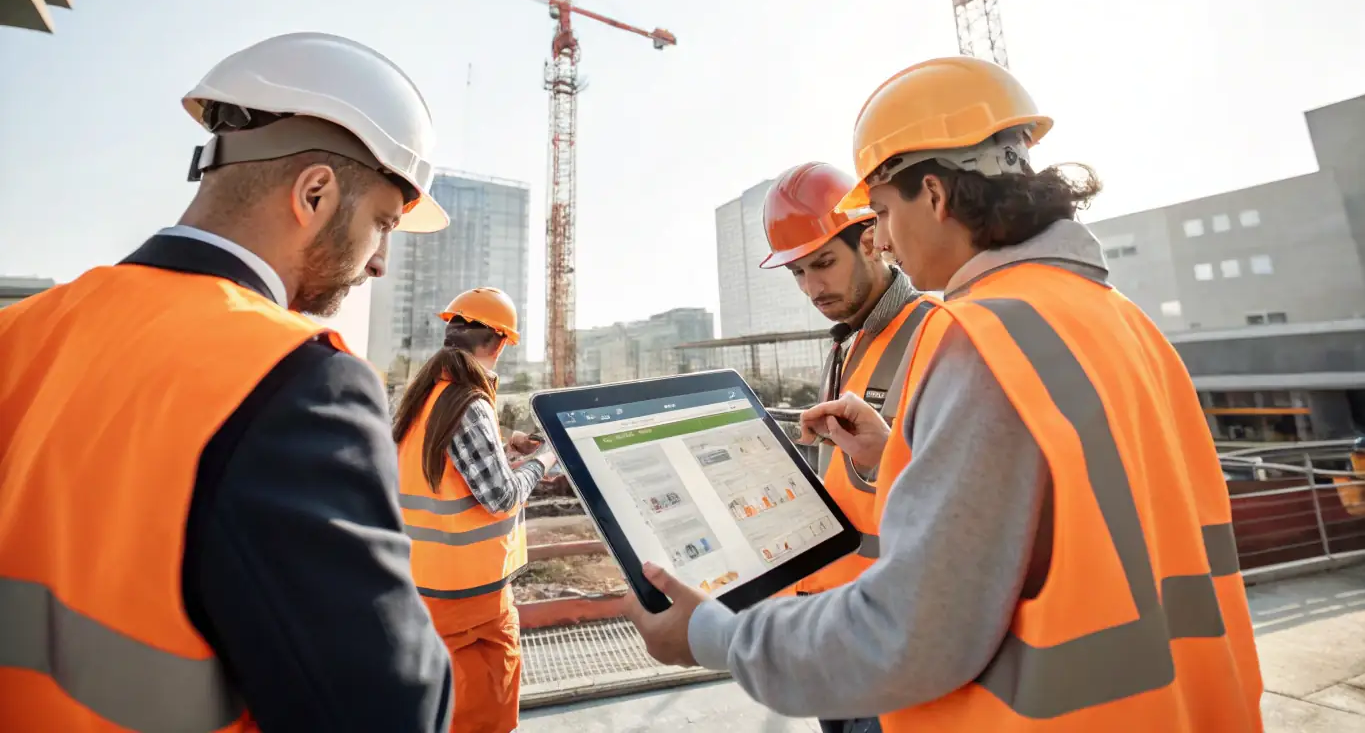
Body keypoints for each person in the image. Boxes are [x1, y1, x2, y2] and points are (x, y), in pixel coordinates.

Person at [628, 56, 1264, 731]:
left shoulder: (978, 337)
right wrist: (895, 451)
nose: (888, 240)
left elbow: (914, 631)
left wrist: (712, 636)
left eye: (880, 213)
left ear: (931, 196)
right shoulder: (1118, 317)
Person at [0, 33, 455, 731]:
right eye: (382, 224)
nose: (379, 264)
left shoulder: (20, 330)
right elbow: (387, 712)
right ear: (314, 193)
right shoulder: (296, 381)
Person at [759, 162, 935, 733]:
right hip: (830, 626)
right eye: (799, 274)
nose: (812, 289)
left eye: (824, 264)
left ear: (870, 241)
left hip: (895, 641)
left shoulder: (936, 335)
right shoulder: (846, 344)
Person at [393, 287, 557, 733]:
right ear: (499, 342)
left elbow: (442, 464)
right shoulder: (469, 401)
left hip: (423, 586)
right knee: (485, 712)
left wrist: (505, 447)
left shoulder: (423, 394)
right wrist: (545, 459)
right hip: (474, 599)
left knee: (440, 709)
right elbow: (501, 496)